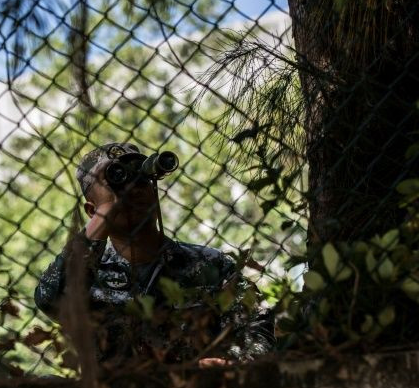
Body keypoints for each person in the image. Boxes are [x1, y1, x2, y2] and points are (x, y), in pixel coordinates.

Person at [34, 143, 274, 367]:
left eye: (140, 179)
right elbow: (51, 301)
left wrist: (228, 364)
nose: (132, 190)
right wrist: (104, 215)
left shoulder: (210, 265)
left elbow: (257, 327)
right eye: (116, 181)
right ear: (91, 210)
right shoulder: (88, 276)